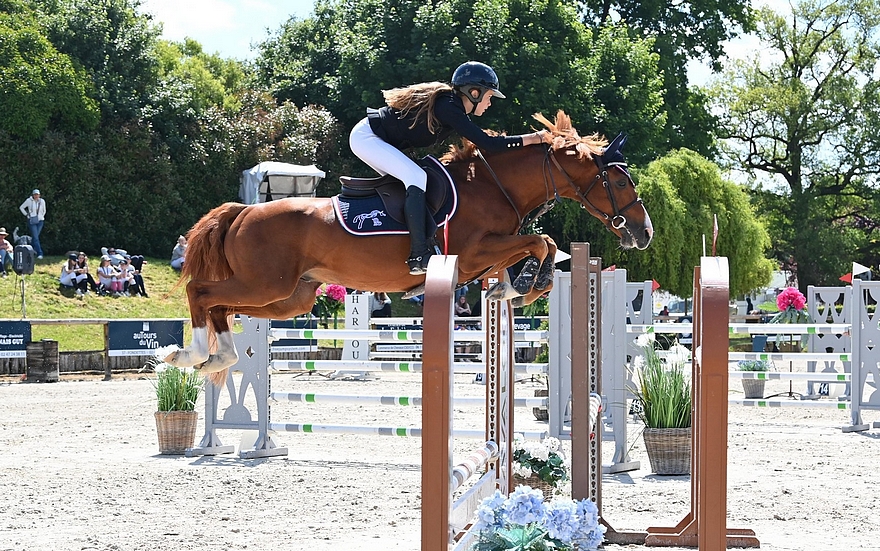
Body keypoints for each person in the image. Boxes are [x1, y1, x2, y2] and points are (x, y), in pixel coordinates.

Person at [349, 61, 548, 275]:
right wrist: (534, 138)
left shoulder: (452, 107)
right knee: (416, 176)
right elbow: (489, 144)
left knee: (419, 181)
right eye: (489, 97)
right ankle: (418, 254)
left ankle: (410, 244)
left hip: (377, 139)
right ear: (474, 92)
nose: (490, 103)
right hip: (367, 137)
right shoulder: (448, 106)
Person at [18, 189, 46, 258]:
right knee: (36, 237)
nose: (36, 196)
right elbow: (21, 207)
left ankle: (30, 251)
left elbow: (44, 210)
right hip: (32, 221)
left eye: (37, 194)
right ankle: (40, 253)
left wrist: (41, 216)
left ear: (39, 195)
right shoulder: (29, 201)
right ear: (33, 195)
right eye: (35, 194)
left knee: (35, 237)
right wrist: (27, 215)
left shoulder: (42, 201)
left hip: (40, 221)